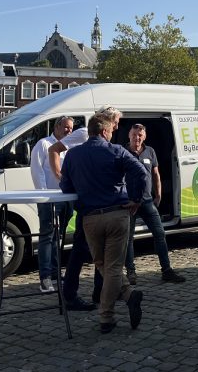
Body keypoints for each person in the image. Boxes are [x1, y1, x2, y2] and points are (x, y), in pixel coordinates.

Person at [59, 114, 150, 334]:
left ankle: (115, 308)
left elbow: (65, 186)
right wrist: (136, 199)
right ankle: (111, 313)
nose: (111, 135)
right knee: (111, 268)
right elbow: (140, 172)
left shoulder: (73, 155)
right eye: (111, 132)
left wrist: (81, 193)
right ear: (103, 132)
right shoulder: (116, 150)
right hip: (117, 214)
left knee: (102, 263)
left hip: (89, 218)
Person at [49, 107, 121, 308]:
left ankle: (99, 293)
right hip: (88, 205)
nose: (117, 127)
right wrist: (60, 178)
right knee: (81, 251)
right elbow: (53, 150)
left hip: (96, 202)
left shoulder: (104, 138)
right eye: (115, 123)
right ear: (106, 122)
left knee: (97, 251)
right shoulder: (83, 134)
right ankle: (71, 295)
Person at [124, 124, 185, 284]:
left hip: (147, 201)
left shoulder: (150, 151)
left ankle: (166, 270)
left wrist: (158, 194)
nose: (137, 138)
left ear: (144, 137)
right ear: (129, 135)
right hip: (130, 203)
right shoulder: (122, 152)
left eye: (140, 135)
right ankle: (131, 273)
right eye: (135, 134)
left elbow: (156, 174)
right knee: (128, 239)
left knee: (159, 234)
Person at [29, 116, 74, 293]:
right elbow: (37, 171)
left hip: (66, 197)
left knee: (58, 236)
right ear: (57, 127)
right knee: (47, 236)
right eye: (66, 127)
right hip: (49, 198)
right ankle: (45, 277)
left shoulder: (70, 146)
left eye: (71, 128)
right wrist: (44, 195)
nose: (68, 131)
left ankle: (56, 272)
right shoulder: (43, 144)